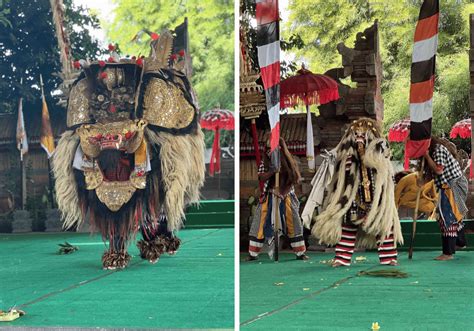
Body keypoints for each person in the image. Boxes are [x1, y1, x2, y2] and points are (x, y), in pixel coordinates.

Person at [53, 30, 205, 269]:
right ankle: (117, 246)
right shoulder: (87, 129)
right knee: (79, 166)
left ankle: (155, 234)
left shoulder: (151, 123)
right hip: (102, 156)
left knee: (160, 181)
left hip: (137, 149)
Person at [310, 118, 403, 267]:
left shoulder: (380, 149)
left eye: (364, 133)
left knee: (383, 224)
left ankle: (389, 257)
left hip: (377, 196)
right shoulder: (346, 154)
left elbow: (384, 157)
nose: (360, 136)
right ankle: (342, 257)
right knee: (348, 224)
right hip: (353, 195)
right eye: (357, 133)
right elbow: (339, 171)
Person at [247, 137, 308, 261]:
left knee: (294, 222)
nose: (270, 151)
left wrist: (282, 193)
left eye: (273, 148)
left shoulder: (289, 161)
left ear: (280, 148)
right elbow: (261, 178)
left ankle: (300, 252)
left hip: (286, 195)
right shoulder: (266, 162)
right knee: (259, 221)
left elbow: (294, 179)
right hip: (269, 195)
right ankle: (253, 254)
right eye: (268, 149)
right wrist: (272, 171)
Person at [423, 136, 468, 260]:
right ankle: (460, 243)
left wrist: (426, 156)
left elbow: (438, 170)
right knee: (453, 215)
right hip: (448, 185)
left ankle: (448, 253)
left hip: (452, 185)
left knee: (447, 217)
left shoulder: (438, 150)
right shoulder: (433, 151)